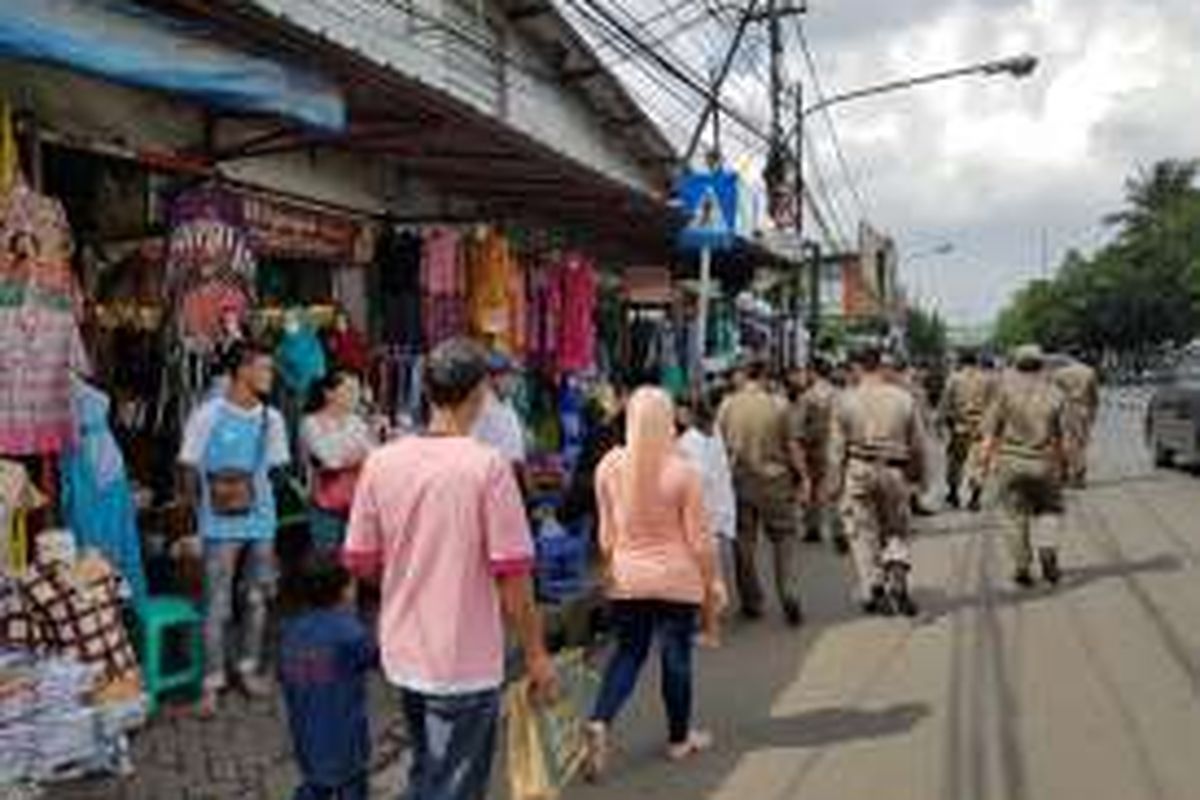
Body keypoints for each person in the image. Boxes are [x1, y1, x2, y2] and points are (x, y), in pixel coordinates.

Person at [343, 337, 556, 800]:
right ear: (479, 392)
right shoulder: (488, 468)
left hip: (404, 648)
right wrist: (536, 653)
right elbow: (514, 577)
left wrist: (409, 579)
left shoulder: (382, 462)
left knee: (428, 768)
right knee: (454, 783)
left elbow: (360, 560)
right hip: (464, 658)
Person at [586, 388, 724, 778]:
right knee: (675, 657)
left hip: (628, 578)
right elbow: (701, 541)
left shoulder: (609, 466)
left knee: (628, 655)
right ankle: (679, 740)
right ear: (668, 422)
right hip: (677, 580)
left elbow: (605, 535)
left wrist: (610, 571)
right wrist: (712, 582)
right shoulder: (683, 471)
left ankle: (600, 720)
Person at [179, 341, 290, 717]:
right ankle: (212, 681)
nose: (270, 375)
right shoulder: (207, 414)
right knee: (216, 603)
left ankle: (248, 668)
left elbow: (275, 469)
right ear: (242, 370)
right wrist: (198, 519)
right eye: (264, 368)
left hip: (261, 519)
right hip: (217, 522)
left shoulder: (271, 418)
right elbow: (189, 466)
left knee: (257, 598)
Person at [830, 346, 927, 616]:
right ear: (881, 367)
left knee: (863, 533)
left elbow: (836, 450)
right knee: (896, 528)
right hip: (895, 471)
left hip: (859, 470)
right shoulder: (903, 398)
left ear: (857, 368)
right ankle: (897, 566)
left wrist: (834, 486)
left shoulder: (845, 400)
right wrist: (917, 477)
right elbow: (918, 445)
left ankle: (873, 586)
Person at [279, 553, 377, 800]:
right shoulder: (350, 633)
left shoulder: (290, 631)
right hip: (346, 738)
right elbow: (375, 658)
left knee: (315, 784)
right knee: (352, 786)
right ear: (344, 591)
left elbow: (282, 674)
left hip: (305, 734)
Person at [717, 356, 805, 626]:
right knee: (784, 538)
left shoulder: (727, 405)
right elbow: (792, 446)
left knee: (744, 542)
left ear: (743, 374)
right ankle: (787, 590)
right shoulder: (780, 405)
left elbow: (719, 446)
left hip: (740, 480)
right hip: (776, 481)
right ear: (765, 375)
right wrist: (803, 476)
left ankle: (752, 599)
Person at [981, 344, 1069, 587]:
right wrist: (1065, 466)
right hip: (1045, 462)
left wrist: (984, 464)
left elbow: (989, 432)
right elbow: (1064, 437)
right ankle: (1048, 550)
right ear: (1042, 365)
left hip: (1011, 462)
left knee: (1014, 516)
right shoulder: (1055, 393)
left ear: (1016, 364)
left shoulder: (1003, 391)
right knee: (1051, 510)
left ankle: (1022, 565)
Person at [300, 372, 377, 554]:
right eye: (349, 389)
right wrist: (357, 456)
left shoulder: (357, 422)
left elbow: (373, 456)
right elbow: (330, 460)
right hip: (324, 504)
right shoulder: (310, 423)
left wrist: (351, 455)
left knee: (353, 559)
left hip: (356, 503)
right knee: (326, 561)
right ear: (329, 393)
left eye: (357, 390)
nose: (356, 395)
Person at [677, 391, 737, 595]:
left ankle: (710, 613)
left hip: (704, 512)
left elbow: (698, 478)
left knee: (706, 570)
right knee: (716, 567)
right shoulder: (714, 432)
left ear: (688, 412)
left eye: (680, 410)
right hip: (720, 509)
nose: (677, 415)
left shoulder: (689, 440)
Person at [936, 349, 997, 511]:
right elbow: (994, 405)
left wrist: (939, 422)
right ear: (977, 361)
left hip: (959, 427)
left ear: (961, 362)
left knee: (955, 461)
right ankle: (975, 498)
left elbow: (945, 403)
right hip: (981, 428)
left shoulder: (954, 379)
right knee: (979, 464)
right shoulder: (987, 379)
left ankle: (954, 493)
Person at [792, 357, 842, 549]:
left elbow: (798, 428)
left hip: (815, 447)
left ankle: (813, 526)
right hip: (836, 446)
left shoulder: (808, 397)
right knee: (835, 488)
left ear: (813, 372)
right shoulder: (840, 395)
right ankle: (838, 528)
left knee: (812, 487)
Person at [470, 351, 527, 478]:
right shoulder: (481, 407)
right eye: (509, 376)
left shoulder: (507, 403)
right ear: (492, 378)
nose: (513, 381)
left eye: (514, 376)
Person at [1053, 355, 1099, 488]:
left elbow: (1054, 392)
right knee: (1081, 443)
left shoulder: (1060, 373)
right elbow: (1094, 394)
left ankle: (1064, 471)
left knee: (1066, 441)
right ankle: (1079, 474)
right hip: (1083, 408)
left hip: (1066, 408)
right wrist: (1094, 412)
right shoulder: (1089, 372)